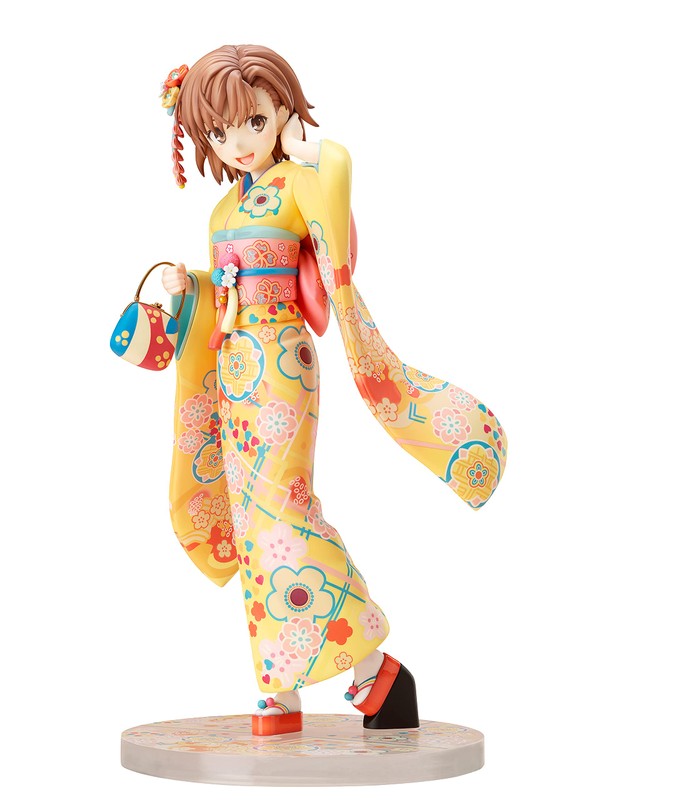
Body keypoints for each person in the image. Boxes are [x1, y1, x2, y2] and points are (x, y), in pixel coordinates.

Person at [157, 45, 507, 735]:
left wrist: (306, 149)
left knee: (284, 508)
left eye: (255, 121)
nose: (239, 142)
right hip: (235, 367)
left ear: (282, 111)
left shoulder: (297, 181)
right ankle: (280, 683)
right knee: (254, 522)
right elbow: (221, 292)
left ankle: (372, 665)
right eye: (220, 132)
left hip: (282, 362)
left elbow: (335, 189)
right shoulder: (223, 209)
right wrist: (188, 287)